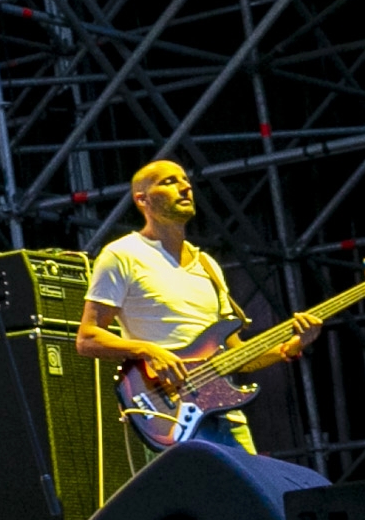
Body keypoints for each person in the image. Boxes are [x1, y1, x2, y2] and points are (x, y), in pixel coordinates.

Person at [75, 157, 270, 452]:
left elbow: (239, 354)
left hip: (226, 415)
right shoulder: (122, 255)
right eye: (169, 182)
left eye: (185, 181)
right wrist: (148, 350)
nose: (184, 187)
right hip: (169, 415)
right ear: (142, 199)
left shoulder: (207, 266)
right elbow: (87, 338)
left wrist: (287, 347)